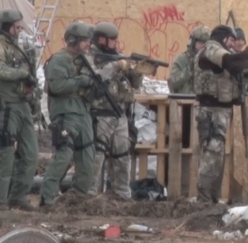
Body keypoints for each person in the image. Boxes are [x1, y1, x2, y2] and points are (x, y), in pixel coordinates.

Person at [193, 25, 248, 203]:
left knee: (217, 156)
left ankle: (212, 199)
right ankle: (204, 199)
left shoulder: (221, 53)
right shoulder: (211, 50)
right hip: (210, 111)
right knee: (212, 153)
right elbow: (232, 63)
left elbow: (236, 67)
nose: (233, 45)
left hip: (220, 111)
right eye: (231, 40)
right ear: (223, 38)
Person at [87, 22, 153, 199]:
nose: (116, 43)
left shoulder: (118, 57)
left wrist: (137, 73)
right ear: (102, 39)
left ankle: (121, 194)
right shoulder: (90, 56)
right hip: (100, 113)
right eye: (112, 40)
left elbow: (134, 84)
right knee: (97, 154)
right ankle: (88, 195)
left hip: (120, 113)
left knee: (122, 154)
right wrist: (116, 66)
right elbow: (94, 78)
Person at [40, 22, 96, 208]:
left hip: (83, 113)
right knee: (63, 156)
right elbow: (57, 86)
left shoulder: (86, 60)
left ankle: (77, 199)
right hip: (65, 114)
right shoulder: (58, 60)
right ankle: (47, 198)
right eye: (85, 40)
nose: (89, 44)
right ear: (73, 40)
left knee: (88, 158)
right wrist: (82, 81)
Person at [0, 9, 39, 212]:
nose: (19, 30)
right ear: (7, 27)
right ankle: (1, 199)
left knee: (31, 152)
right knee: (5, 152)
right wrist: (22, 74)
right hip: (6, 105)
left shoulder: (17, 47)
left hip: (22, 103)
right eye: (16, 27)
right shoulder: (1, 46)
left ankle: (19, 195)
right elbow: (1, 70)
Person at [168, 25, 211, 94]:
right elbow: (172, 83)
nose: (203, 46)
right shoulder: (181, 59)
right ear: (193, 43)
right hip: (185, 101)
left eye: (206, 43)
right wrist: (189, 71)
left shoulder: (213, 60)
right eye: (200, 43)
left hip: (206, 101)